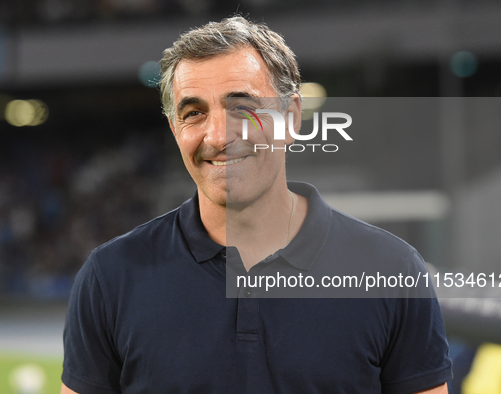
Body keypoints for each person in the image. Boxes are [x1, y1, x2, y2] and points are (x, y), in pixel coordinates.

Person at [61, 16, 452, 393]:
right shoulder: (110, 277)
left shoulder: (392, 271)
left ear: (292, 117)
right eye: (194, 113)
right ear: (175, 130)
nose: (217, 135)